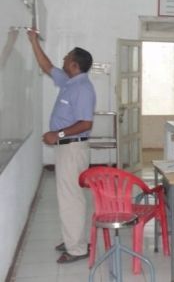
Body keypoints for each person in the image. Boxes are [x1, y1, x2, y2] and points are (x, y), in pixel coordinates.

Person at [27, 30, 96, 263]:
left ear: (75, 65)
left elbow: (86, 122)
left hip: (72, 147)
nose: (63, 59)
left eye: (67, 57)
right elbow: (47, 66)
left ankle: (77, 248)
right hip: (66, 147)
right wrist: (33, 41)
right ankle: (73, 239)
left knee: (71, 197)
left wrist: (58, 134)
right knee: (68, 196)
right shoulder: (69, 82)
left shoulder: (83, 88)